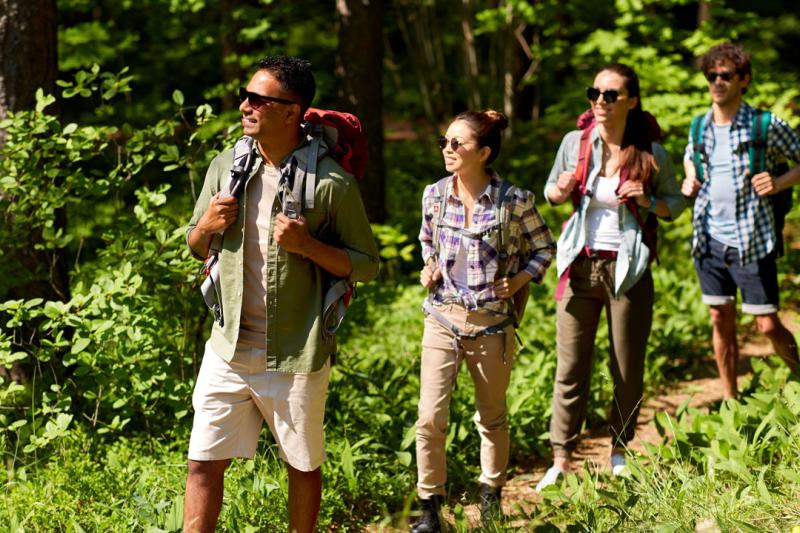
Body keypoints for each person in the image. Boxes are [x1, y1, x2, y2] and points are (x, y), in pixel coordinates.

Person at [183, 56, 379, 533]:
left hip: (296, 352)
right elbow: (194, 242)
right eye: (246, 97)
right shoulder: (225, 166)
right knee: (202, 464)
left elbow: (368, 265)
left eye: (259, 99)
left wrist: (308, 246)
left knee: (302, 465)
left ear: (291, 111)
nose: (246, 106)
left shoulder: (331, 182)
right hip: (227, 347)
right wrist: (205, 226)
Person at [536, 63, 685, 491]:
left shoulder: (652, 152)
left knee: (626, 367)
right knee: (570, 366)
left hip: (628, 269)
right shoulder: (574, 143)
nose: (600, 101)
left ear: (631, 101)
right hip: (580, 267)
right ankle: (561, 458)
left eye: (610, 94)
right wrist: (559, 190)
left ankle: (619, 451)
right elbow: (551, 190)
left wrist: (649, 198)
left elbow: (674, 205)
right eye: (595, 93)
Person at [412, 110, 556, 532]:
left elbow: (544, 249)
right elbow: (427, 241)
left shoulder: (515, 201)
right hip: (442, 317)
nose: (448, 150)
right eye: (445, 141)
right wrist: (429, 267)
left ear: (485, 152)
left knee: (491, 416)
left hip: (492, 324)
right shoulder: (434, 195)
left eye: (458, 144)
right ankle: (429, 508)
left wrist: (521, 279)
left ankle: (490, 495)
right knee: (429, 417)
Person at [681, 42, 800, 399]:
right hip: (708, 238)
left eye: (725, 75)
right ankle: (731, 400)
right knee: (720, 319)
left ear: (743, 79)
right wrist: (690, 176)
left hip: (752, 238)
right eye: (711, 75)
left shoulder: (765, 124)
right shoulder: (700, 124)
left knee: (765, 324)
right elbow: (691, 156)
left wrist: (778, 182)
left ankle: (798, 372)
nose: (716, 82)